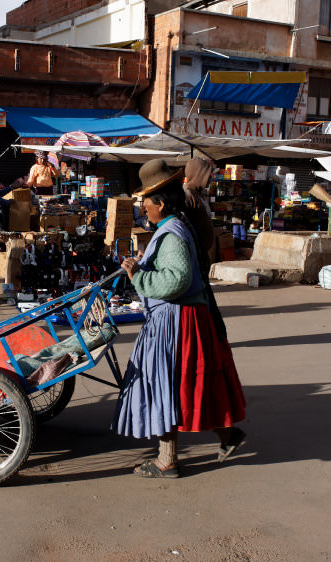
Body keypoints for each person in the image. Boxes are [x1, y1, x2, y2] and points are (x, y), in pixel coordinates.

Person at [115, 159, 246, 478]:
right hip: (184, 318)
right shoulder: (178, 224)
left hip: (176, 321)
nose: (144, 210)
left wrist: (139, 278)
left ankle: (167, 461)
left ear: (160, 202)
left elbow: (177, 279)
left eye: (146, 205)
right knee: (182, 385)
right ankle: (227, 436)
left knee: (165, 385)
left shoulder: (171, 233)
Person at [182, 157, 218, 264]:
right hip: (193, 255)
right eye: (207, 175)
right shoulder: (187, 196)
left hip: (201, 253)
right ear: (199, 175)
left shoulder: (198, 194)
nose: (210, 178)